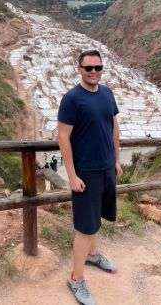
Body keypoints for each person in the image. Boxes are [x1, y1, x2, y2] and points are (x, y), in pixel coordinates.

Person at [57, 49, 122, 305]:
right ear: (79, 69)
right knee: (85, 227)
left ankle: (93, 255)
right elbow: (63, 138)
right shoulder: (72, 99)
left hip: (106, 168)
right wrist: (72, 175)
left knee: (96, 219)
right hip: (86, 173)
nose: (94, 72)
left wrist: (116, 159)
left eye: (98, 68)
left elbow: (113, 127)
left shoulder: (107, 93)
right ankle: (76, 278)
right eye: (88, 68)